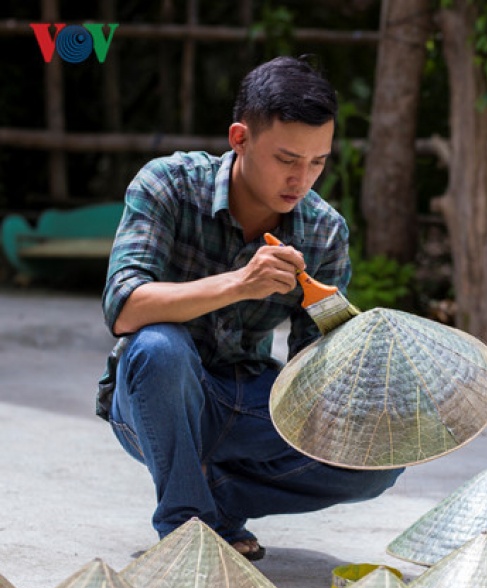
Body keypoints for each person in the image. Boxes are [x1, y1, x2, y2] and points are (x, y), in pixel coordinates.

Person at [96, 56, 404, 561]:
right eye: (287, 159)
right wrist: (239, 283)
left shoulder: (324, 231)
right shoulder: (168, 185)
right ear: (240, 138)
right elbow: (124, 307)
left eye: (317, 162)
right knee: (158, 346)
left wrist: (363, 360)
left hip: (248, 398)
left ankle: (212, 494)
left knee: (381, 462)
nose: (301, 179)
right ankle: (188, 530)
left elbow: (314, 376)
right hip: (153, 398)